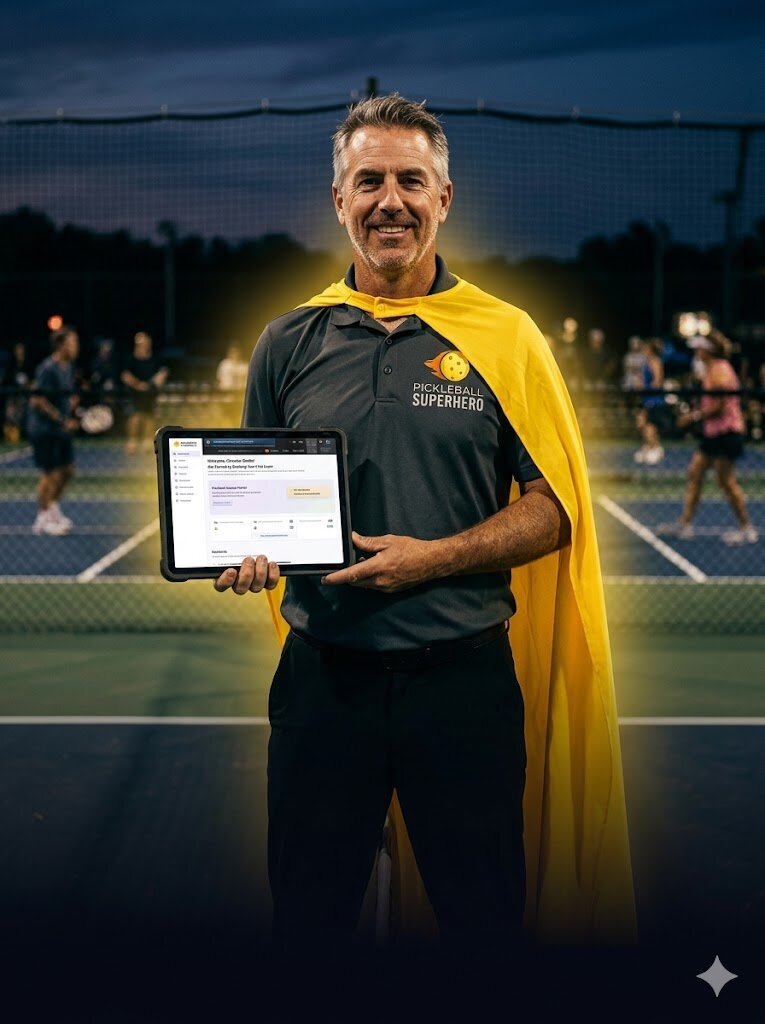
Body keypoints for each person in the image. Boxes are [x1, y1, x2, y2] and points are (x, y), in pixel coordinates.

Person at [214, 94, 634, 960]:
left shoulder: (507, 338)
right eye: (368, 180)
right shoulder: (287, 341)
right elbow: (255, 501)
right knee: (306, 924)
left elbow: (554, 509)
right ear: (339, 199)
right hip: (323, 684)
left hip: (463, 686)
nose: (389, 201)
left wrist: (431, 560)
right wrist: (246, 551)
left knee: (483, 927)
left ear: (443, 198)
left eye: (410, 180)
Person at [662, 329, 757, 544]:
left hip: (726, 433)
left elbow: (719, 405)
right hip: (713, 433)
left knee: (725, 481)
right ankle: (685, 524)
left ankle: (746, 528)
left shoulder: (720, 370)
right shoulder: (712, 369)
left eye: (700, 348)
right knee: (695, 473)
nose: (697, 351)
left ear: (708, 350)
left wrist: (693, 416)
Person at [26, 326, 80, 535]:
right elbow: (37, 399)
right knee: (50, 473)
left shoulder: (69, 367)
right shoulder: (47, 369)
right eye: (72, 343)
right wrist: (61, 419)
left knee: (68, 470)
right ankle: (42, 517)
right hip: (44, 429)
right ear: (60, 345)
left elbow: (67, 396)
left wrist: (72, 408)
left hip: (60, 428)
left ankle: (53, 507)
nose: (75, 347)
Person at [120, 331, 168, 454]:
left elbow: (163, 372)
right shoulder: (131, 358)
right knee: (135, 416)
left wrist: (152, 383)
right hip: (135, 393)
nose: (142, 345)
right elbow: (125, 375)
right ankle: (132, 442)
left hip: (150, 392)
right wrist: (137, 384)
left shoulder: (155, 357)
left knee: (150, 416)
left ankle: (147, 441)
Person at [633, 337, 666, 464]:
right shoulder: (647, 363)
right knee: (641, 423)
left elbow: (657, 382)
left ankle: (656, 449)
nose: (644, 351)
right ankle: (647, 447)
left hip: (653, 398)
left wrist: (645, 388)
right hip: (646, 397)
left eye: (646, 349)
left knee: (650, 426)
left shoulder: (655, 362)